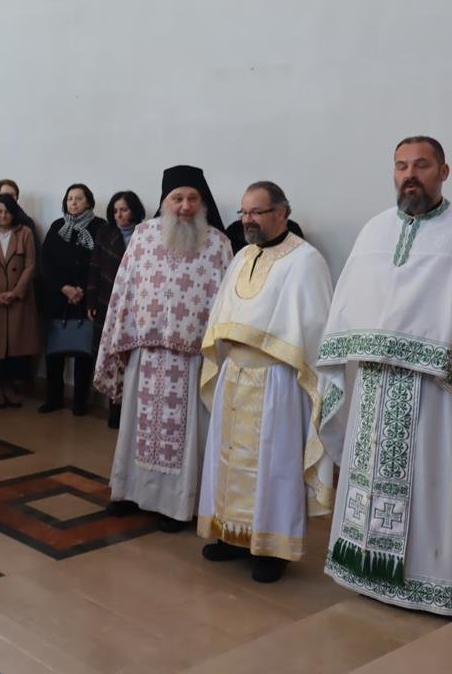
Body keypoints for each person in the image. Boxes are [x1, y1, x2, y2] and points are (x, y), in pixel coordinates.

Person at [318, 136, 452, 615]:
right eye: (401, 166)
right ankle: (366, 570)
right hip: (374, 384)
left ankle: (431, 581)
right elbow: (349, 303)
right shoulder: (374, 231)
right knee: (368, 473)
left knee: (432, 477)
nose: (409, 175)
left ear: (444, 172)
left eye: (421, 165)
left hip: (434, 387)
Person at [197, 181, 335, 584]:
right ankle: (231, 534)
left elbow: (315, 326)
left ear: (282, 212)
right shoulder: (242, 256)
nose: (248, 220)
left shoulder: (306, 260)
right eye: (244, 212)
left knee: (274, 464)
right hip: (235, 374)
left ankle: (273, 548)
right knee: (228, 459)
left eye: (256, 212)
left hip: (277, 380)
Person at [94, 165, 232, 531]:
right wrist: (119, 337)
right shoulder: (143, 235)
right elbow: (124, 289)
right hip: (146, 352)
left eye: (192, 198)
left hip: (192, 359)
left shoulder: (218, 244)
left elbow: (226, 303)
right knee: (135, 428)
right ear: (164, 201)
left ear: (203, 202)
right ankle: (128, 492)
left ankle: (176, 504)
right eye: (177, 198)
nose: (185, 206)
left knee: (185, 436)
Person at [41, 184, 108, 415]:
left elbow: (100, 263)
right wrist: (64, 288)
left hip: (86, 299)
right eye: (70, 198)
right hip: (58, 297)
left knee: (83, 353)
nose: (73, 202)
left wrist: (81, 290)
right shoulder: (58, 226)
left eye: (78, 198)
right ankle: (54, 398)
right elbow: (46, 262)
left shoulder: (100, 227)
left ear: (88, 201)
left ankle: (80, 402)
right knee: (55, 352)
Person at [86, 191, 146, 427]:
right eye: (115, 211)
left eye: (124, 210)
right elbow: (94, 268)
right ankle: (113, 409)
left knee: (129, 358)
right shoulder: (105, 233)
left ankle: (129, 411)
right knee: (111, 356)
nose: (119, 215)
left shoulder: (145, 234)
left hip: (136, 306)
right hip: (107, 302)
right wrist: (91, 301)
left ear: (134, 210)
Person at [0, 194, 40, 408]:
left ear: (14, 213)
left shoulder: (25, 233)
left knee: (15, 346)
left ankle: (10, 387)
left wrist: (16, 292)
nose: (3, 215)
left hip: (18, 300)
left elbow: (30, 265)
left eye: (7, 212)